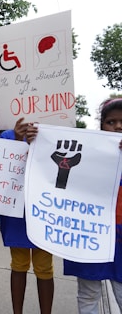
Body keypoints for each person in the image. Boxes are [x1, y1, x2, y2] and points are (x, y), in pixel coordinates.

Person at [31, 97, 122, 314]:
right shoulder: (89, 151)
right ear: (101, 125)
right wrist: (36, 140)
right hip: (90, 234)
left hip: (119, 236)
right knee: (88, 294)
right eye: (111, 122)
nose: (118, 126)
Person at [0, 117, 55, 314]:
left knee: (45, 267)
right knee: (19, 265)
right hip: (17, 211)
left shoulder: (53, 135)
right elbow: (1, 167)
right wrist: (17, 139)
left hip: (44, 210)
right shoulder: (8, 135)